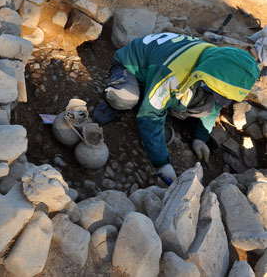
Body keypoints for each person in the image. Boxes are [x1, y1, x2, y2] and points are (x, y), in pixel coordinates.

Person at [93, 32, 260, 185]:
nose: (225, 103)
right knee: (123, 98)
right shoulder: (173, 72)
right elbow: (149, 115)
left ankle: (157, 102)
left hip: (162, 73)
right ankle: (114, 103)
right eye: (222, 95)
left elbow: (215, 106)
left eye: (228, 97)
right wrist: (162, 164)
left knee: (205, 106)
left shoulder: (218, 65)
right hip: (134, 66)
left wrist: (200, 138)